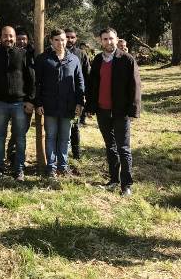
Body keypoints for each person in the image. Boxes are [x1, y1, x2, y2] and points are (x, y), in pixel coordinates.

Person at [86, 28, 141, 197]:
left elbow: (135, 86)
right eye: (105, 39)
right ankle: (113, 180)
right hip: (103, 111)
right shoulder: (97, 60)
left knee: (123, 148)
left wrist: (134, 110)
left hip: (120, 112)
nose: (108, 42)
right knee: (110, 147)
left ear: (117, 40)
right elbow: (92, 85)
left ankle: (126, 185)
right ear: (100, 41)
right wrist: (90, 107)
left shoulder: (126, 59)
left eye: (111, 38)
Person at [34, 29, 84, 179]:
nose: (60, 43)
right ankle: (51, 168)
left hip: (68, 106)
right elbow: (37, 83)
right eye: (57, 40)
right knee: (51, 136)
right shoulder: (43, 59)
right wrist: (38, 102)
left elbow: (80, 81)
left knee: (65, 137)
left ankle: (63, 166)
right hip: (49, 105)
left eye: (63, 40)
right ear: (51, 41)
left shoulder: (74, 59)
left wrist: (79, 102)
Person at [0, 26, 35, 181]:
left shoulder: (23, 54)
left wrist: (30, 100)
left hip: (20, 104)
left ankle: (18, 169)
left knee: (20, 138)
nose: (8, 39)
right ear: (0, 37)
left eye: (11, 36)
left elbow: (31, 79)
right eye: (5, 36)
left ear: (15, 38)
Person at [65, 28, 91, 160]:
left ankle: (76, 154)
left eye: (72, 37)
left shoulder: (81, 54)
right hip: (61, 96)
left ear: (76, 39)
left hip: (76, 96)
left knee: (75, 127)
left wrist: (85, 95)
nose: (69, 39)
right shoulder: (56, 52)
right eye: (67, 37)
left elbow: (87, 76)